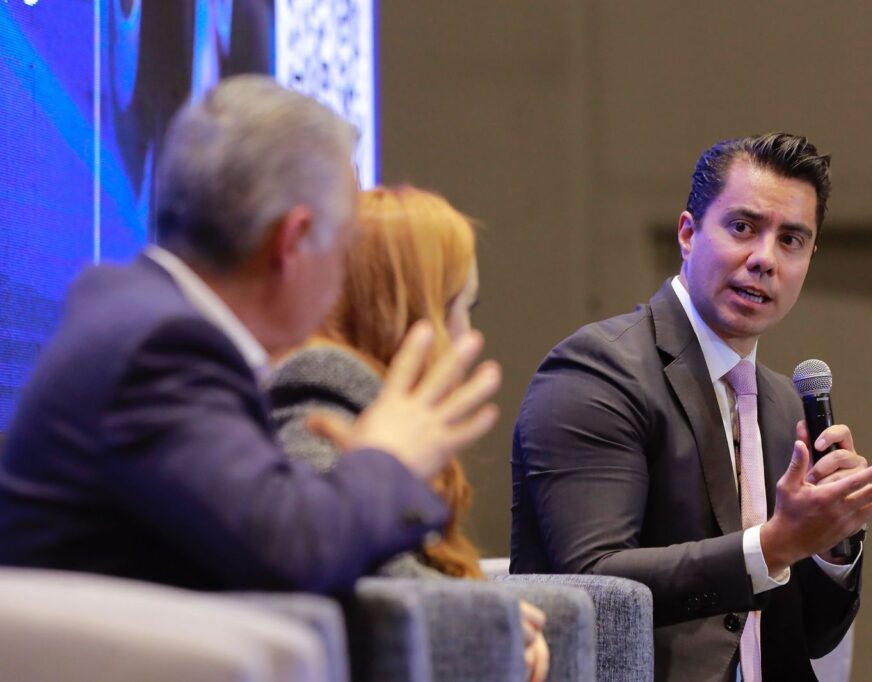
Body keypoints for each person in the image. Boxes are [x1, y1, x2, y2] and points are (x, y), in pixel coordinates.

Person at [0, 76, 501, 595]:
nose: (343, 278)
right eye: (345, 244)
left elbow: (259, 531)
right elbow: (291, 553)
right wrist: (388, 461)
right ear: (294, 241)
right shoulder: (161, 350)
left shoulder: (141, 318)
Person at [510, 133, 872, 681]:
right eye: (743, 227)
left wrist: (831, 541)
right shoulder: (598, 370)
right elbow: (593, 583)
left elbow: (814, 637)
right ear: (688, 233)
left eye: (791, 240)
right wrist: (774, 545)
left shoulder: (782, 404)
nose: (765, 260)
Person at [270, 185, 548, 682]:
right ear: (404, 311)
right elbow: (353, 568)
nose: (467, 335)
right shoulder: (318, 394)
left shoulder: (362, 401)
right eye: (458, 306)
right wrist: (485, 617)